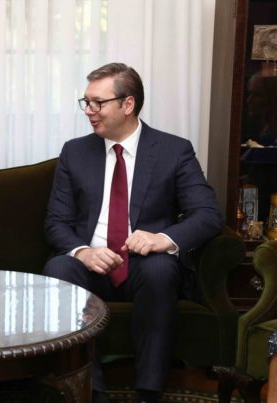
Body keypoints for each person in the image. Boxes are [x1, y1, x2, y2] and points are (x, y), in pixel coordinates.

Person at [43, 62, 222, 403]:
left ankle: (148, 391)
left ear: (128, 104)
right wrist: (84, 252)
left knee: (160, 269)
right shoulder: (75, 152)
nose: (89, 111)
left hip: (144, 263)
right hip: (91, 265)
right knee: (59, 268)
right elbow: (56, 222)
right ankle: (92, 391)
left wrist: (163, 239)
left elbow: (208, 214)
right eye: (86, 102)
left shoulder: (173, 150)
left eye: (98, 103)